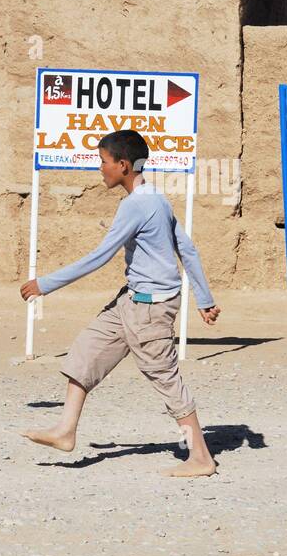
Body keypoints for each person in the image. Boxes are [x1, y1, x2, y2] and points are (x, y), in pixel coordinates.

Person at [18, 129, 221, 477]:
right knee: (86, 350)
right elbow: (186, 247)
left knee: (165, 379)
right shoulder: (155, 198)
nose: (100, 168)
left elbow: (100, 256)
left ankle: (200, 457)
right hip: (130, 300)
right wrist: (203, 298)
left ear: (124, 165)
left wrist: (45, 284)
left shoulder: (136, 205)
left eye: (104, 162)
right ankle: (66, 431)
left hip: (150, 309)